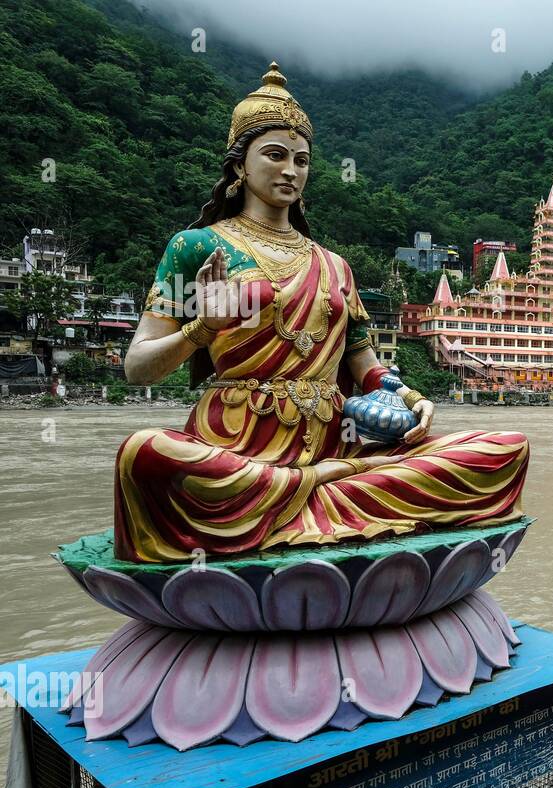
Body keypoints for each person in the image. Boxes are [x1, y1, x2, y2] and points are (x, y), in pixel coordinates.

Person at [113, 63, 528, 563]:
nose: (290, 170)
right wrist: (202, 330)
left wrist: (410, 396)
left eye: (302, 160)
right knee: (144, 454)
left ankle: (306, 499)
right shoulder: (196, 247)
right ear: (239, 165)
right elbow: (138, 368)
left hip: (339, 443)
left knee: (505, 448)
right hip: (237, 448)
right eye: (274, 155)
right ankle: (305, 491)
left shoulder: (334, 265)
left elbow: (364, 365)